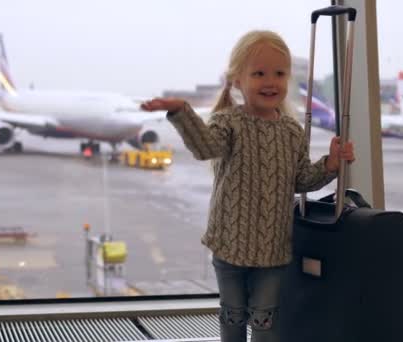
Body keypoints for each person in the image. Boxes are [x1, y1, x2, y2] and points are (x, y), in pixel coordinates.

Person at [141, 30, 355, 342]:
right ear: (238, 80)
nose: (271, 81)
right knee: (232, 316)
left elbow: (301, 180)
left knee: (266, 320)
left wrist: (331, 164)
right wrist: (180, 112)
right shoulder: (229, 123)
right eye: (259, 73)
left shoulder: (292, 132)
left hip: (272, 251)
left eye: (279, 73)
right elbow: (204, 147)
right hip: (229, 246)